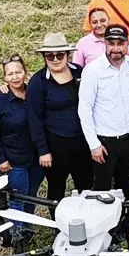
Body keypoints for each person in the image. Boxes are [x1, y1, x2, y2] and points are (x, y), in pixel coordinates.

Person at [79, 25, 129, 238]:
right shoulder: (93, 70)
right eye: (111, 43)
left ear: (127, 44)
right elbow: (84, 108)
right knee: (103, 189)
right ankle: (104, 232)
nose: (116, 48)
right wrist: (93, 144)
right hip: (104, 141)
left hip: (128, 138)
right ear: (104, 44)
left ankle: (127, 226)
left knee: (126, 186)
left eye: (120, 43)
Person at [27, 33, 94, 201]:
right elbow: (34, 119)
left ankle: (85, 223)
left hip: (82, 142)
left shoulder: (80, 72)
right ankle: (58, 226)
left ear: (67, 54)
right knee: (57, 188)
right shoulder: (38, 81)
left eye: (60, 55)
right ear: (44, 57)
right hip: (56, 144)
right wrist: (43, 150)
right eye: (49, 55)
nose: (55, 59)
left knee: (86, 186)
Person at [0, 55, 45, 246]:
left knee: (31, 194)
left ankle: (28, 226)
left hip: (36, 157)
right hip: (13, 159)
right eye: (10, 74)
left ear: (25, 72)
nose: (15, 77)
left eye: (18, 72)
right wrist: (1, 158)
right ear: (4, 77)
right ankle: (16, 233)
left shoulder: (34, 94)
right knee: (17, 197)